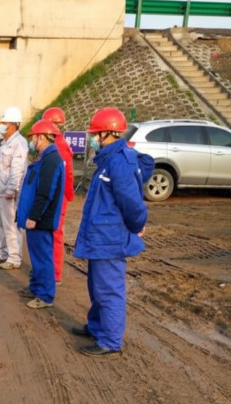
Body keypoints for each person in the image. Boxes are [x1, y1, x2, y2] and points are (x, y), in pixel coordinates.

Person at [73, 107, 154, 356]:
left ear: (109, 133)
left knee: (108, 290)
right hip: (101, 237)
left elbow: (132, 203)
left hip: (110, 239)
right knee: (97, 286)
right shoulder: (109, 159)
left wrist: (137, 226)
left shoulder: (119, 162)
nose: (92, 138)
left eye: (96, 133)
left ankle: (109, 340)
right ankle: (97, 327)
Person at [16, 119, 65, 308]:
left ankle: (45, 296)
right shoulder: (43, 158)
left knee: (43, 259)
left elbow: (45, 192)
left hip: (41, 220)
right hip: (35, 219)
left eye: (34, 137)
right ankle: (35, 288)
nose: (32, 140)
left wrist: (34, 216)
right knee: (36, 258)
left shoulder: (52, 160)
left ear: (42, 137)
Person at [0, 106, 28, 269]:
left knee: (11, 226)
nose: (2, 126)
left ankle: (14, 258)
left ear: (13, 124)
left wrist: (11, 189)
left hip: (8, 193)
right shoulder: (3, 143)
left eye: (4, 123)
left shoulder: (19, 143)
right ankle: (4, 253)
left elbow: (17, 168)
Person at [42, 107, 75, 283]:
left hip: (57, 198)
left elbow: (68, 175)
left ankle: (55, 274)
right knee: (46, 234)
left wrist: (68, 196)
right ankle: (47, 271)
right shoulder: (51, 146)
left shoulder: (61, 147)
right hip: (50, 197)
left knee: (55, 235)